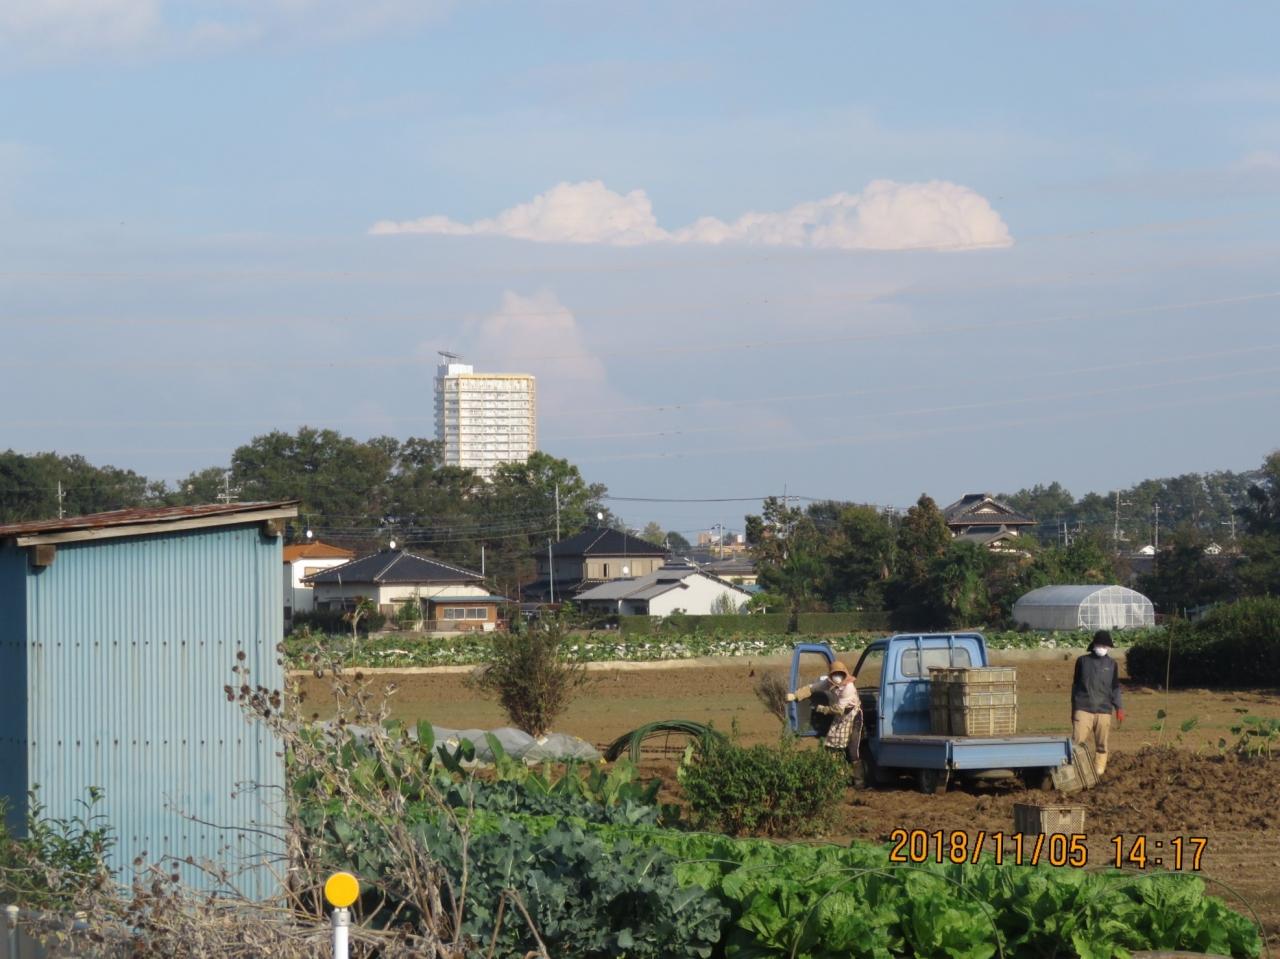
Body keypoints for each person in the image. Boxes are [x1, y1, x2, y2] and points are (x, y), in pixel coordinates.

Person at [786, 661, 864, 773]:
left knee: (853, 748)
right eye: (835, 674)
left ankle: (858, 778)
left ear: (844, 674)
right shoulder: (829, 683)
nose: (837, 676)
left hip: (853, 715)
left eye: (840, 673)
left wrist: (821, 709)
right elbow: (812, 688)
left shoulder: (848, 688)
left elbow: (838, 710)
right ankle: (837, 772)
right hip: (840, 715)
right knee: (832, 744)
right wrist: (796, 695)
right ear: (831, 675)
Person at [1071, 630, 1125, 777]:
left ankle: (1098, 773)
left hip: (1104, 710)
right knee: (1077, 743)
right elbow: (1075, 686)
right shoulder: (1082, 661)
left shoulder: (1112, 664)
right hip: (1083, 708)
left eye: (1105, 645)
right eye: (1100, 644)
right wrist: (1074, 709)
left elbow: (1115, 687)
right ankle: (1076, 773)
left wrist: (1119, 707)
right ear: (1094, 645)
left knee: (1102, 745)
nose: (1102, 647)